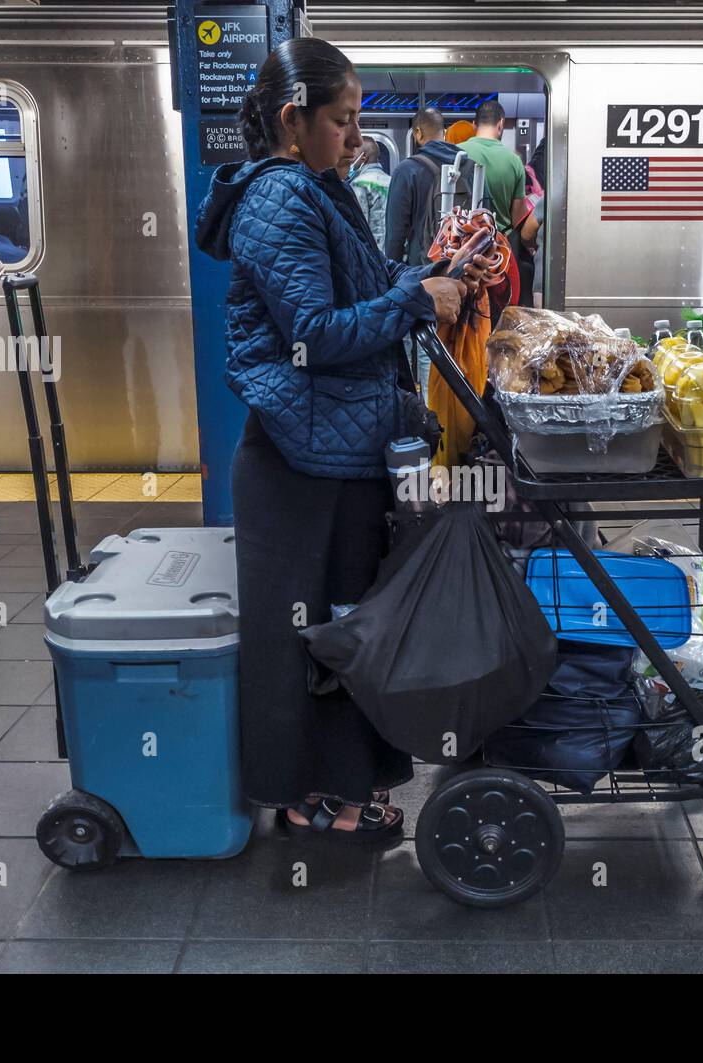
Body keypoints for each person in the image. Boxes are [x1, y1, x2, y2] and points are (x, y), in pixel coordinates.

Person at [194, 37, 488, 840]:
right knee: (307, 634)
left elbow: (357, 292)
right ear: (294, 118)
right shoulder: (280, 198)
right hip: (301, 464)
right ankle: (307, 796)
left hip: (333, 448)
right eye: (344, 121)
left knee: (347, 625)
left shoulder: (318, 188)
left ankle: (344, 785)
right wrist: (418, 302)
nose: (357, 138)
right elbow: (316, 333)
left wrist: (432, 274)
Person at [385, 107, 462, 267]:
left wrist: (393, 276)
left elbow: (395, 237)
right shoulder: (470, 167)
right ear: (444, 132)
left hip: (422, 271)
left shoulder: (406, 171)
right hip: (464, 270)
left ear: (417, 133)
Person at [458, 99, 527, 238]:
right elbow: (518, 219)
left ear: (474, 125)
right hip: (499, 245)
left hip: (462, 242)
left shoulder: (456, 153)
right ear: (500, 124)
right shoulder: (515, 161)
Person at [348, 136, 390, 249]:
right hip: (392, 253)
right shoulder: (391, 181)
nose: (350, 158)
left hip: (371, 253)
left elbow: (359, 226)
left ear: (364, 157)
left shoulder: (359, 184)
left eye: (354, 154)